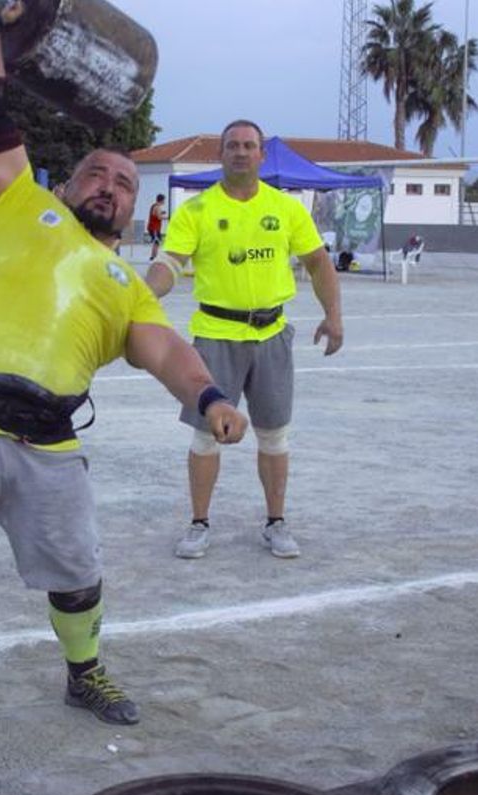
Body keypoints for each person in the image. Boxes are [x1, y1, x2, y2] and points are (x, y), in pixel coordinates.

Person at [0, 29, 248, 751]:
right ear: (66, 183)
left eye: (124, 185)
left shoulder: (128, 288)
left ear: (133, 211)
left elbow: (168, 350)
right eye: (97, 174)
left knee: (79, 571)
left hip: (46, 439)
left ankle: (84, 674)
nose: (110, 187)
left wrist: (209, 398)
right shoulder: (16, 204)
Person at [145, 120, 344, 560]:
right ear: (221, 154)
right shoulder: (196, 211)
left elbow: (317, 262)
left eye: (248, 146)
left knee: (274, 435)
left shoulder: (287, 209)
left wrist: (334, 316)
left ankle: (276, 522)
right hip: (215, 336)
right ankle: (199, 524)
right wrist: (146, 291)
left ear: (261, 155)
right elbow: (171, 262)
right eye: (232, 145)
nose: (240, 152)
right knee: (205, 437)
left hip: (272, 334)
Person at [146, 193, 166, 260]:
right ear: (161, 200)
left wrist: (162, 213)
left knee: (157, 242)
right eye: (164, 200)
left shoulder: (154, 206)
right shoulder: (158, 207)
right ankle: (153, 256)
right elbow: (159, 217)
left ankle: (153, 256)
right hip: (154, 227)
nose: (164, 202)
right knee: (156, 241)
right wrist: (168, 217)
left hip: (153, 227)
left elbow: (154, 214)